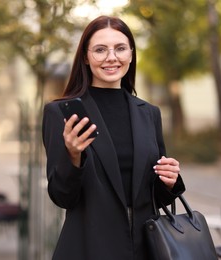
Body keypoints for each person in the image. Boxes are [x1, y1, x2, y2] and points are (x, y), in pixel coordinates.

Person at [42, 15, 186, 260]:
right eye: (100, 50)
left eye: (120, 48)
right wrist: (73, 156)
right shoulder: (61, 113)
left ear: (131, 53)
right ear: (86, 58)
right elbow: (62, 196)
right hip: (89, 248)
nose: (112, 57)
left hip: (145, 249)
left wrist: (170, 181)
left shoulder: (149, 113)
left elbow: (153, 197)